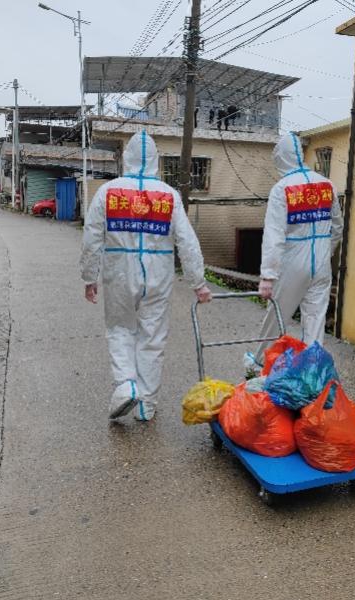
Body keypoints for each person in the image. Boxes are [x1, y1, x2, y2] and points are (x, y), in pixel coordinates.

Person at [81, 131, 212, 422]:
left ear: (127, 157)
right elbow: (186, 241)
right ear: (155, 159)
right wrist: (198, 283)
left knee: (120, 328)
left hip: (118, 271)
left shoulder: (109, 192)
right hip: (159, 273)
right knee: (152, 337)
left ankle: (126, 385)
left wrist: (89, 277)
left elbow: (91, 237)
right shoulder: (169, 195)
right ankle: (146, 406)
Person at [250, 132, 343, 370]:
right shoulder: (327, 185)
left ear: (281, 158)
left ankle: (256, 370)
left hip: (292, 262)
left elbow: (274, 236)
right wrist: (325, 252)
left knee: (275, 320)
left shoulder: (282, 189)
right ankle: (311, 382)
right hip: (321, 264)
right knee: (314, 325)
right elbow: (337, 227)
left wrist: (267, 275)